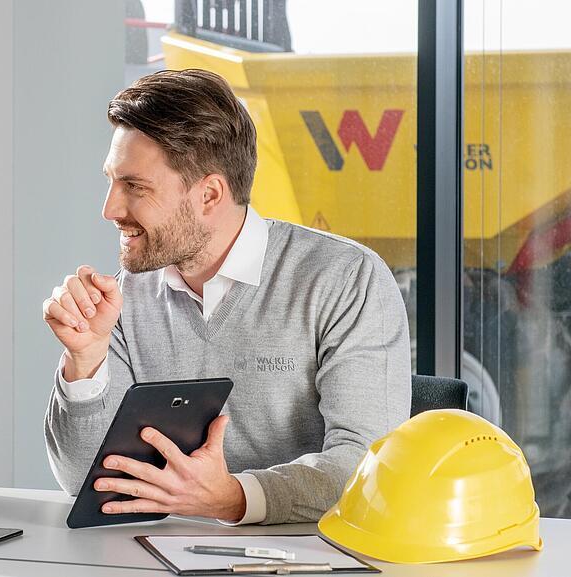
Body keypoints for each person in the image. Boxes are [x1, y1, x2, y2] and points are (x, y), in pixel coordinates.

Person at [43, 69, 410, 525]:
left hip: (314, 558)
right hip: (163, 556)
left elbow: (370, 466)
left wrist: (236, 498)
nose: (110, 209)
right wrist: (86, 362)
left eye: (134, 187)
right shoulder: (125, 298)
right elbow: (88, 481)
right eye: (112, 181)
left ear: (210, 194)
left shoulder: (345, 279)